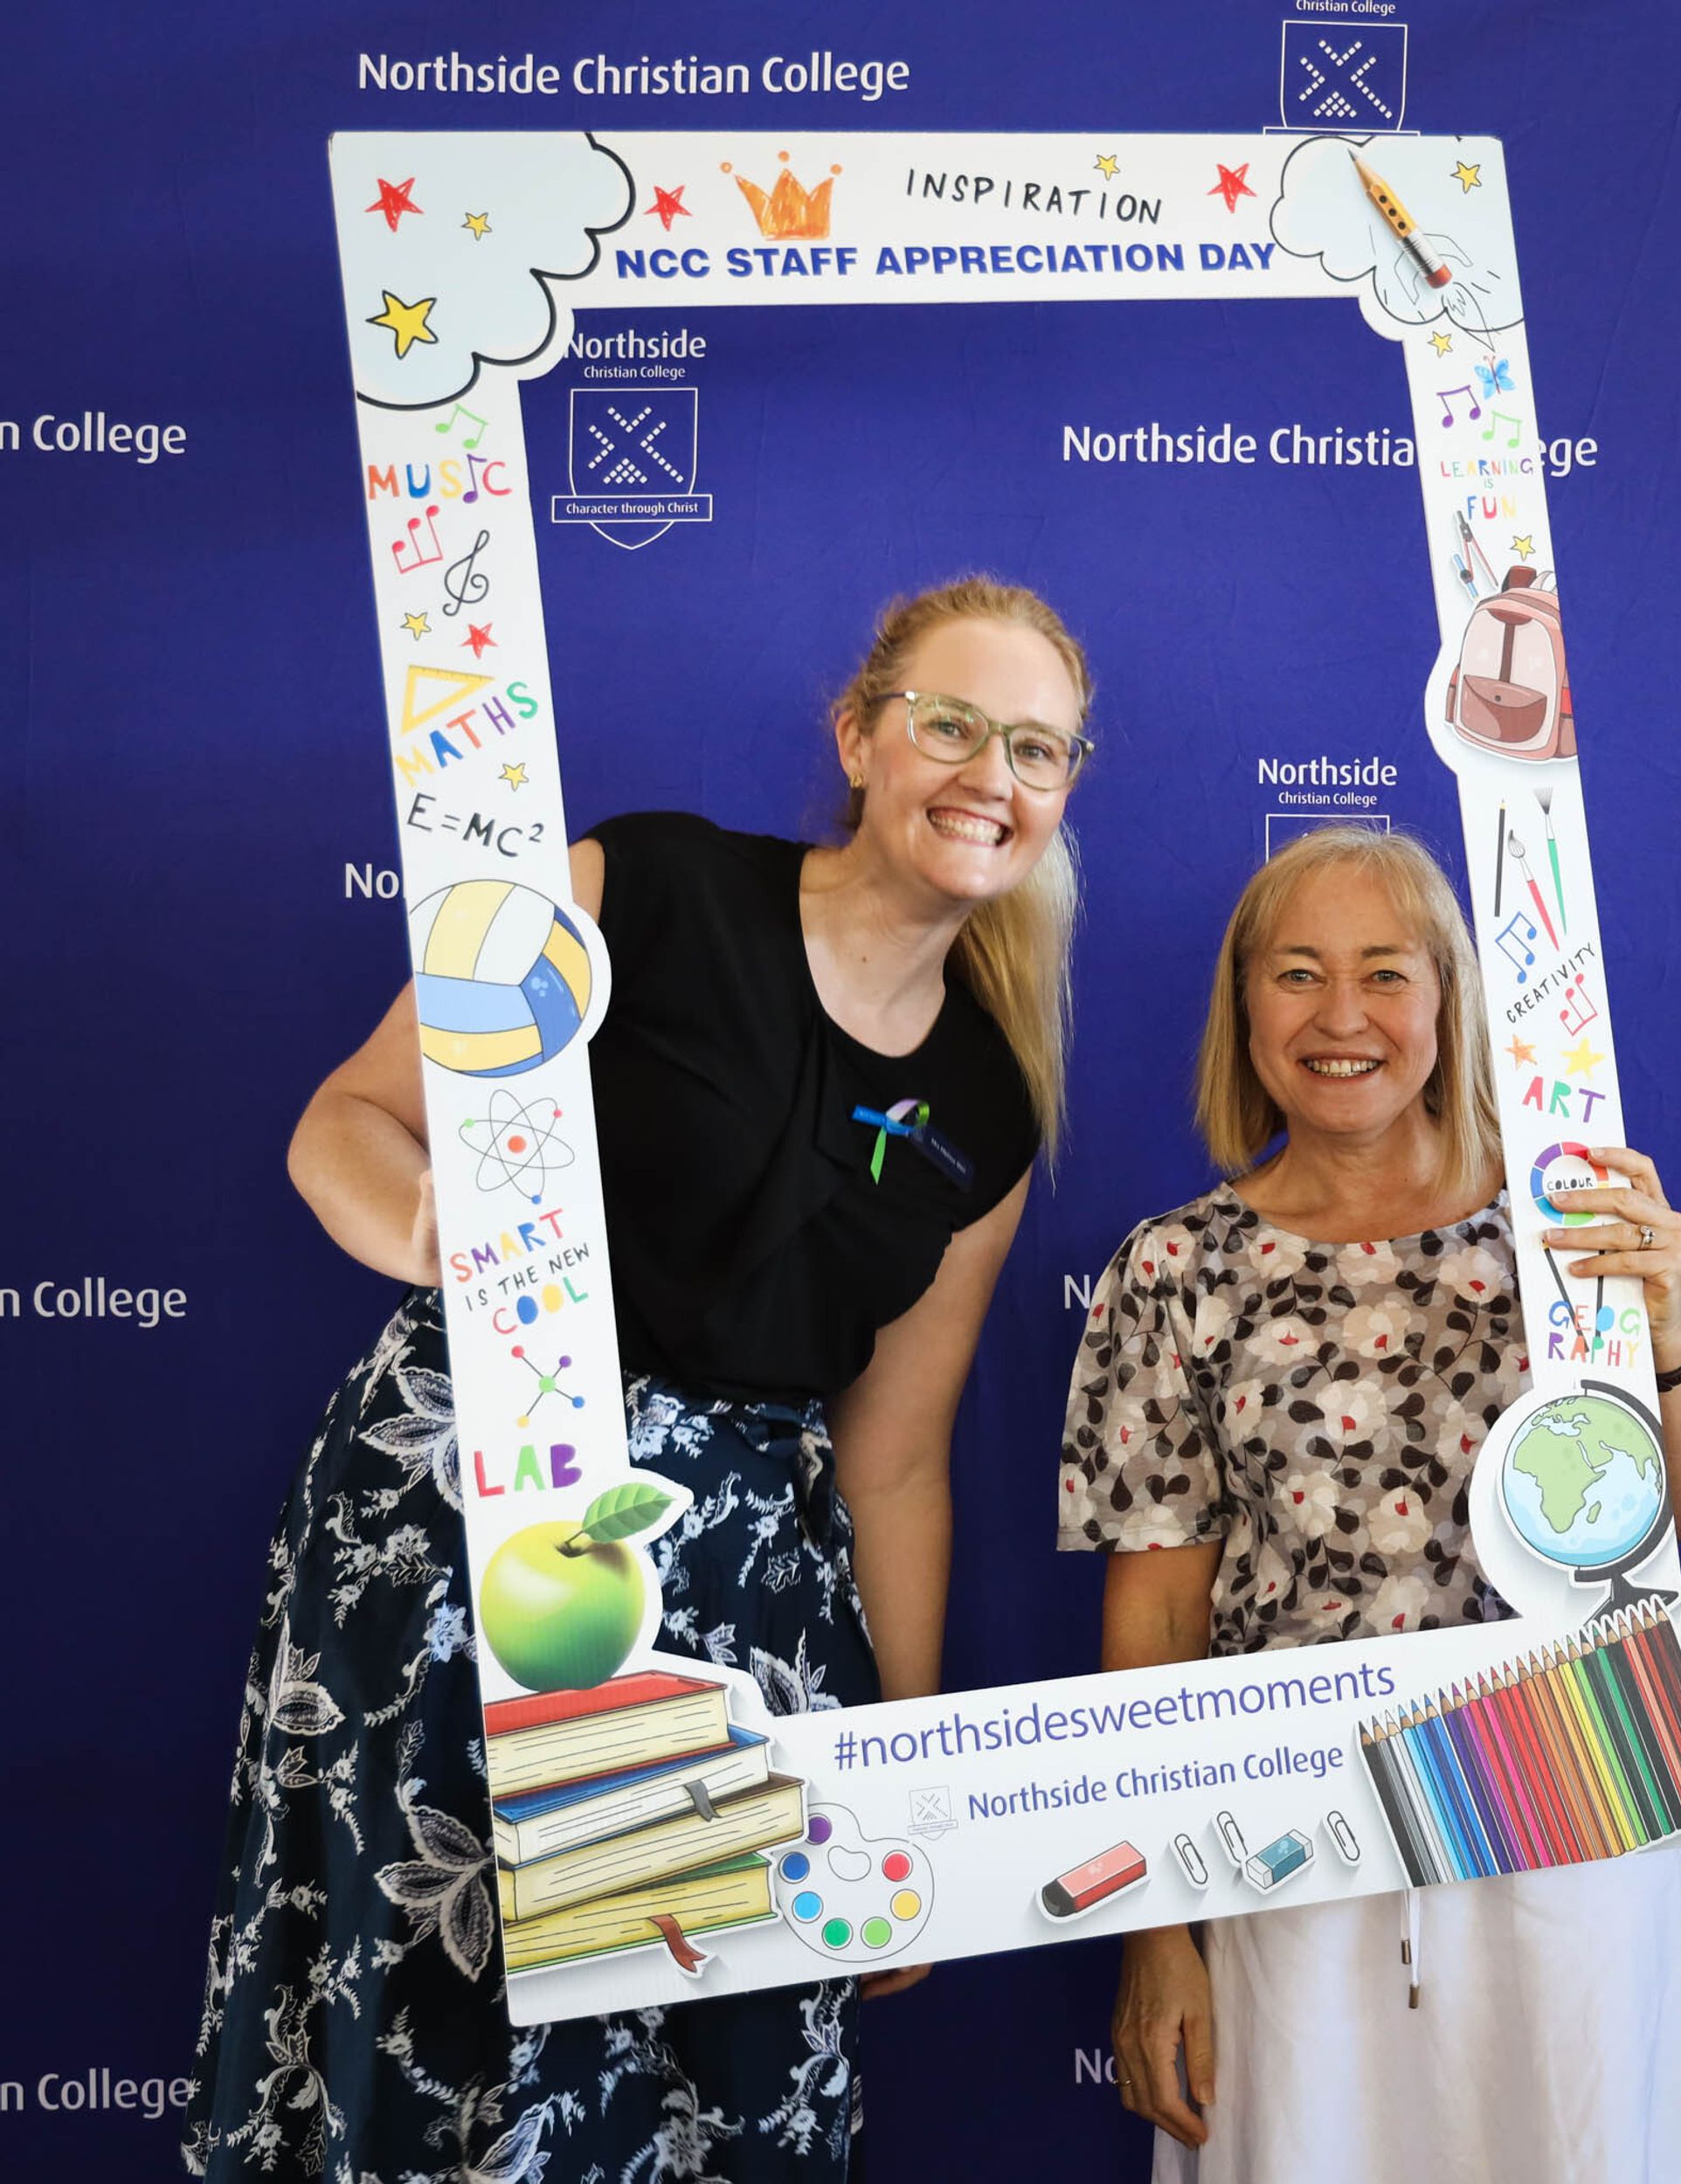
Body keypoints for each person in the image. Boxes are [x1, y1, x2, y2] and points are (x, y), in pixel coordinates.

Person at [185, 578, 1094, 2181]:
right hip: (474, 1538)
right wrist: (443, 1240)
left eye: (1036, 748)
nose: (990, 775)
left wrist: (900, 1780)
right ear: (860, 737)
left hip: (744, 1622)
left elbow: (895, 1458)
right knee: (442, 2027)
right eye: (950, 724)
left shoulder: (989, 1106)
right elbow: (349, 1122)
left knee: (697, 2085)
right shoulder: (644, 885)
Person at [1059, 823, 1681, 2184]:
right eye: (1298, 973)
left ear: (1447, 998)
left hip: (1562, 1807)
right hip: (1289, 1842)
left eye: (1385, 972)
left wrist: (1663, 1326)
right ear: (1244, 1004)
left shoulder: (1566, 1233)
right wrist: (1153, 1929)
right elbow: (1156, 1621)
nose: (1342, 1017)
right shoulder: (1173, 1270)